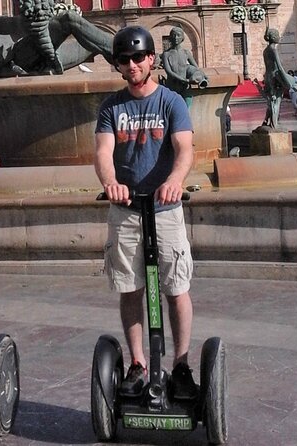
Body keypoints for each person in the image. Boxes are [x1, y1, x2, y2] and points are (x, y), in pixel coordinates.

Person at [94, 26, 198, 399]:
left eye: (140, 57)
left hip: (166, 208)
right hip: (126, 209)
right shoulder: (111, 107)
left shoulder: (172, 102)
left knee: (176, 288)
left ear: (152, 59)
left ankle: (182, 364)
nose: (133, 64)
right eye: (125, 59)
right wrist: (111, 183)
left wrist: (174, 180)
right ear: (119, 66)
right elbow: (104, 153)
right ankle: (138, 363)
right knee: (130, 288)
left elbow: (184, 149)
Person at [256, 28, 297, 129]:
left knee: (271, 100)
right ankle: (274, 124)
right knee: (276, 100)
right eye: (278, 35)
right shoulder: (273, 49)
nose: (279, 37)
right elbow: (279, 66)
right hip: (275, 77)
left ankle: (267, 121)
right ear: (274, 37)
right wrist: (287, 80)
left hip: (268, 76)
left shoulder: (265, 50)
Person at [160, 26, 208, 103]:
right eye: (173, 35)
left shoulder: (186, 53)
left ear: (182, 38)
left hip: (185, 87)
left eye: (178, 35)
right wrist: (183, 79)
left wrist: (203, 75)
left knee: (187, 107)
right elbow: (169, 71)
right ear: (170, 37)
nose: (176, 38)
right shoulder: (166, 54)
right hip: (172, 86)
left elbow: (196, 67)